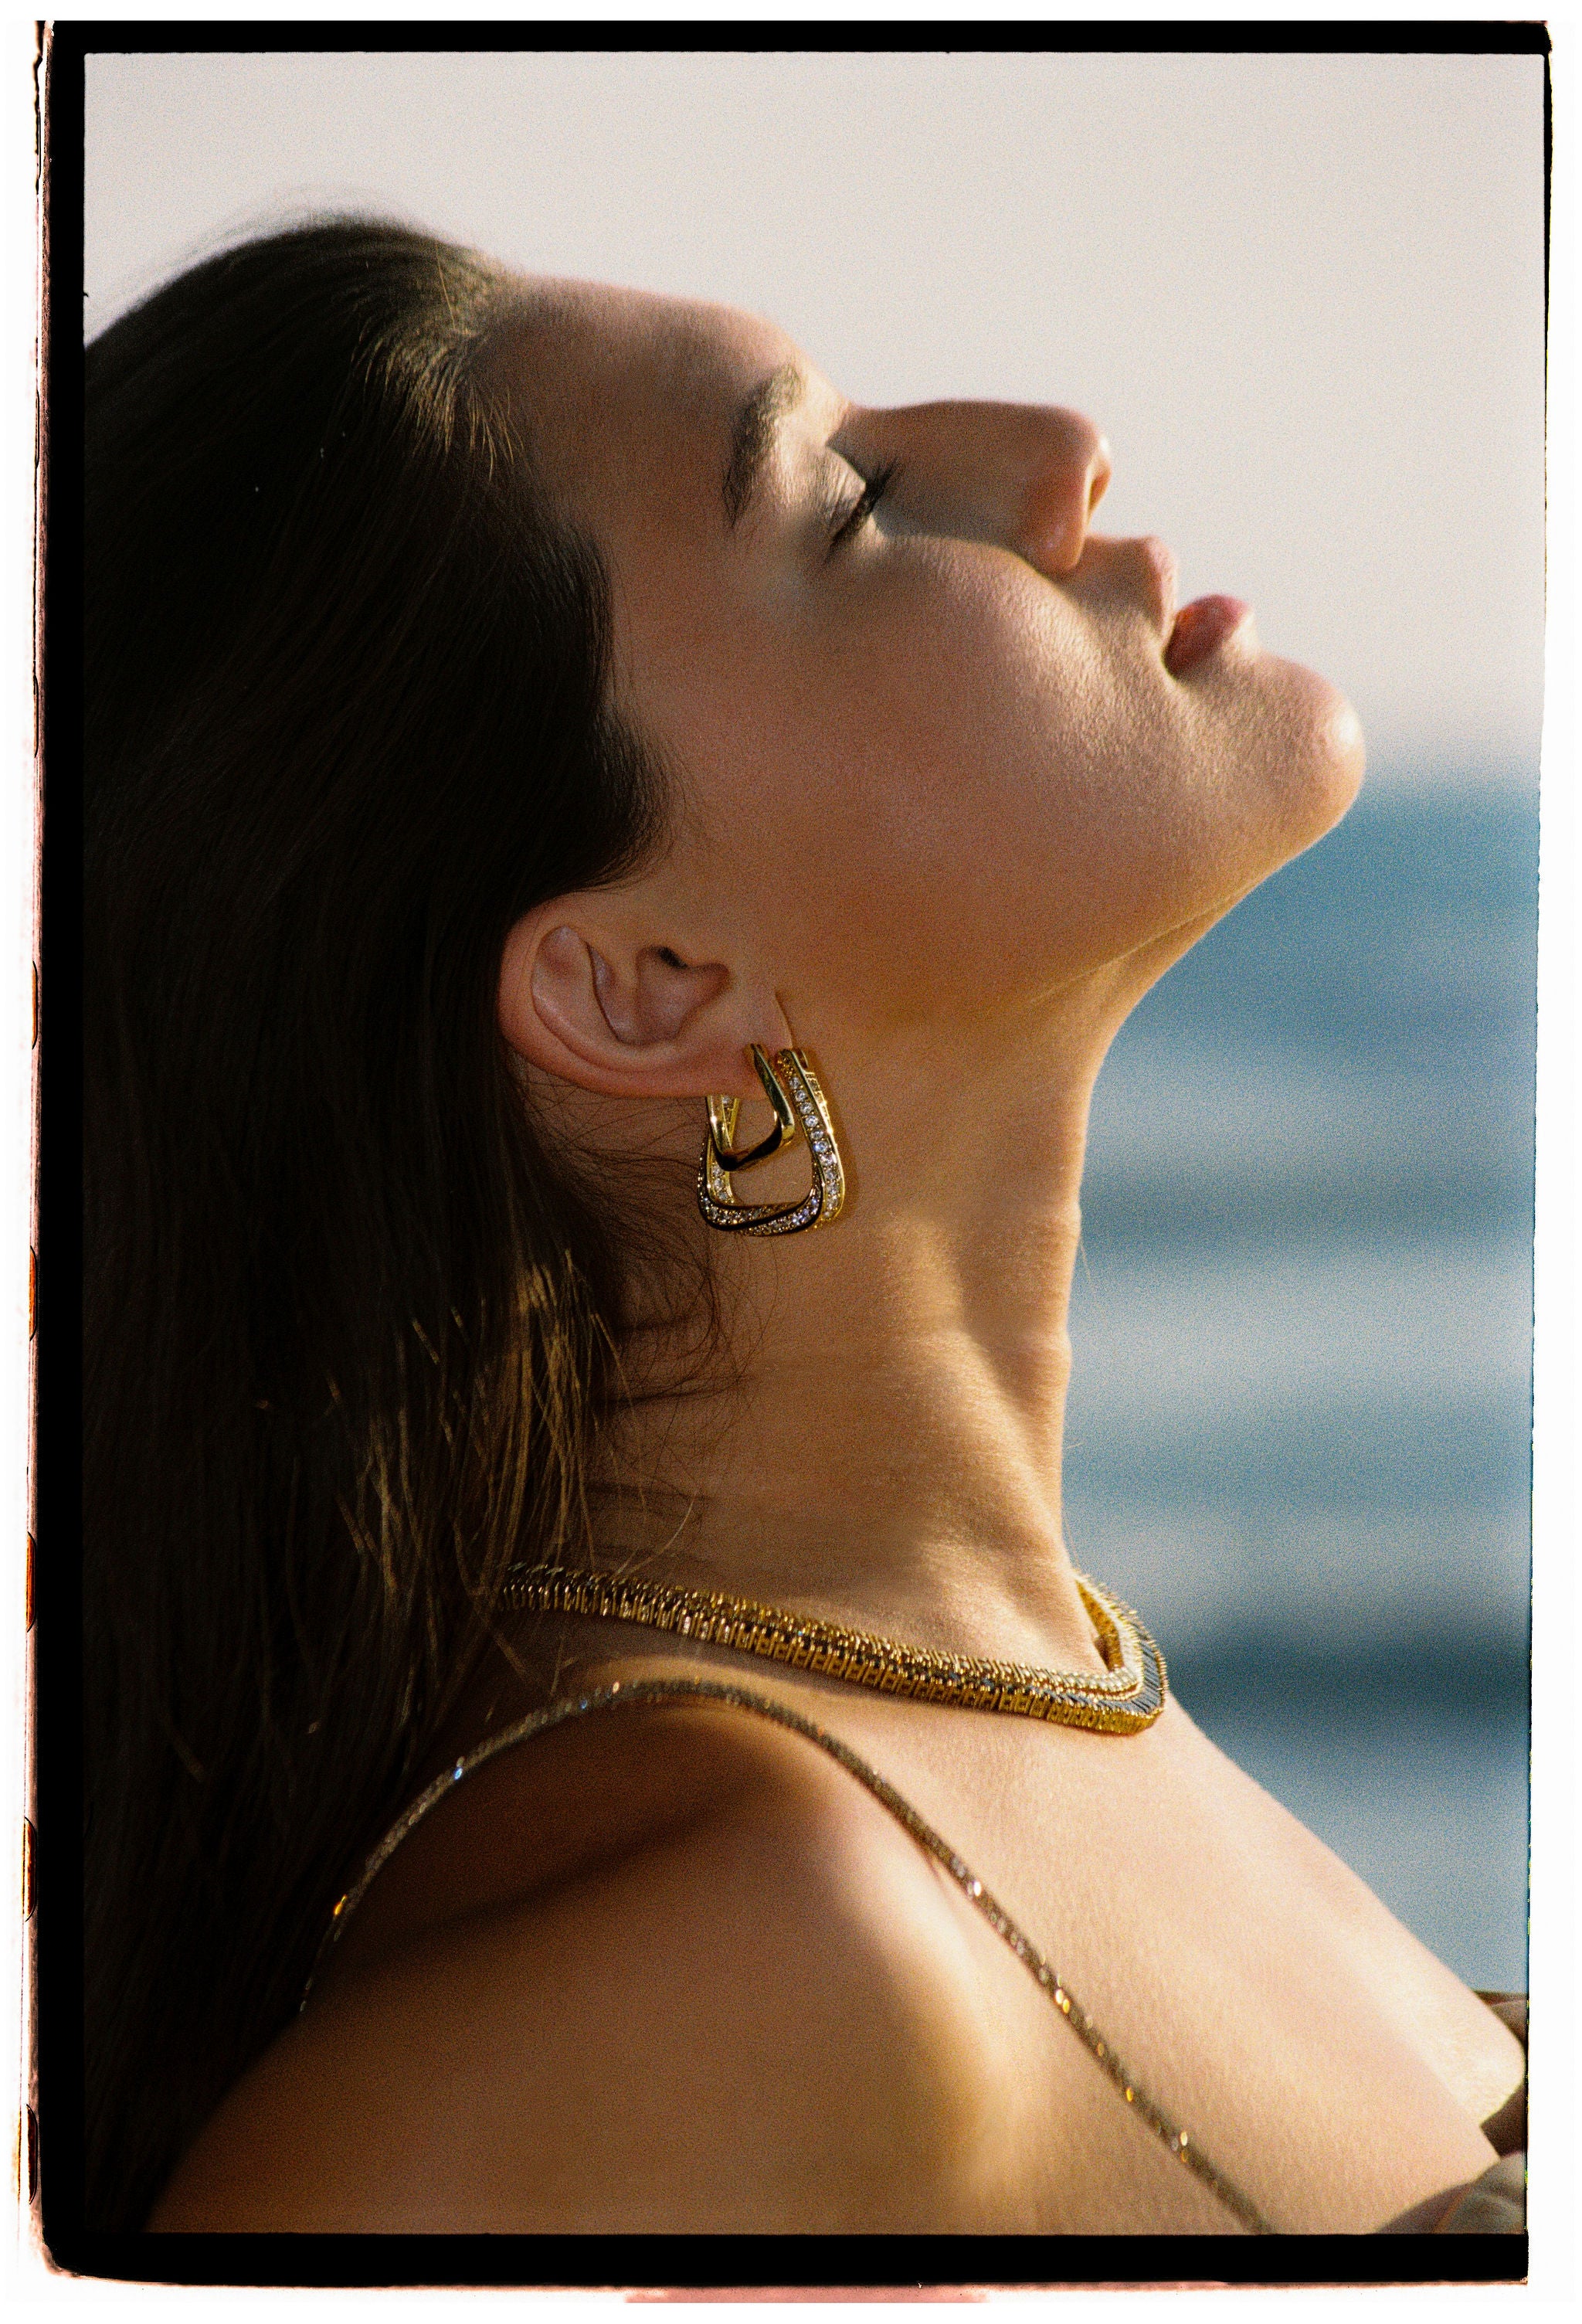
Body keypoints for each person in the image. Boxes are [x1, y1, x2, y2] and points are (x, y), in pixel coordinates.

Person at [84, 220, 1525, 2237]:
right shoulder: (681, 1993)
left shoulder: (1011, 1716)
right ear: (644, 986)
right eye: (846, 503)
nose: (1059, 449)